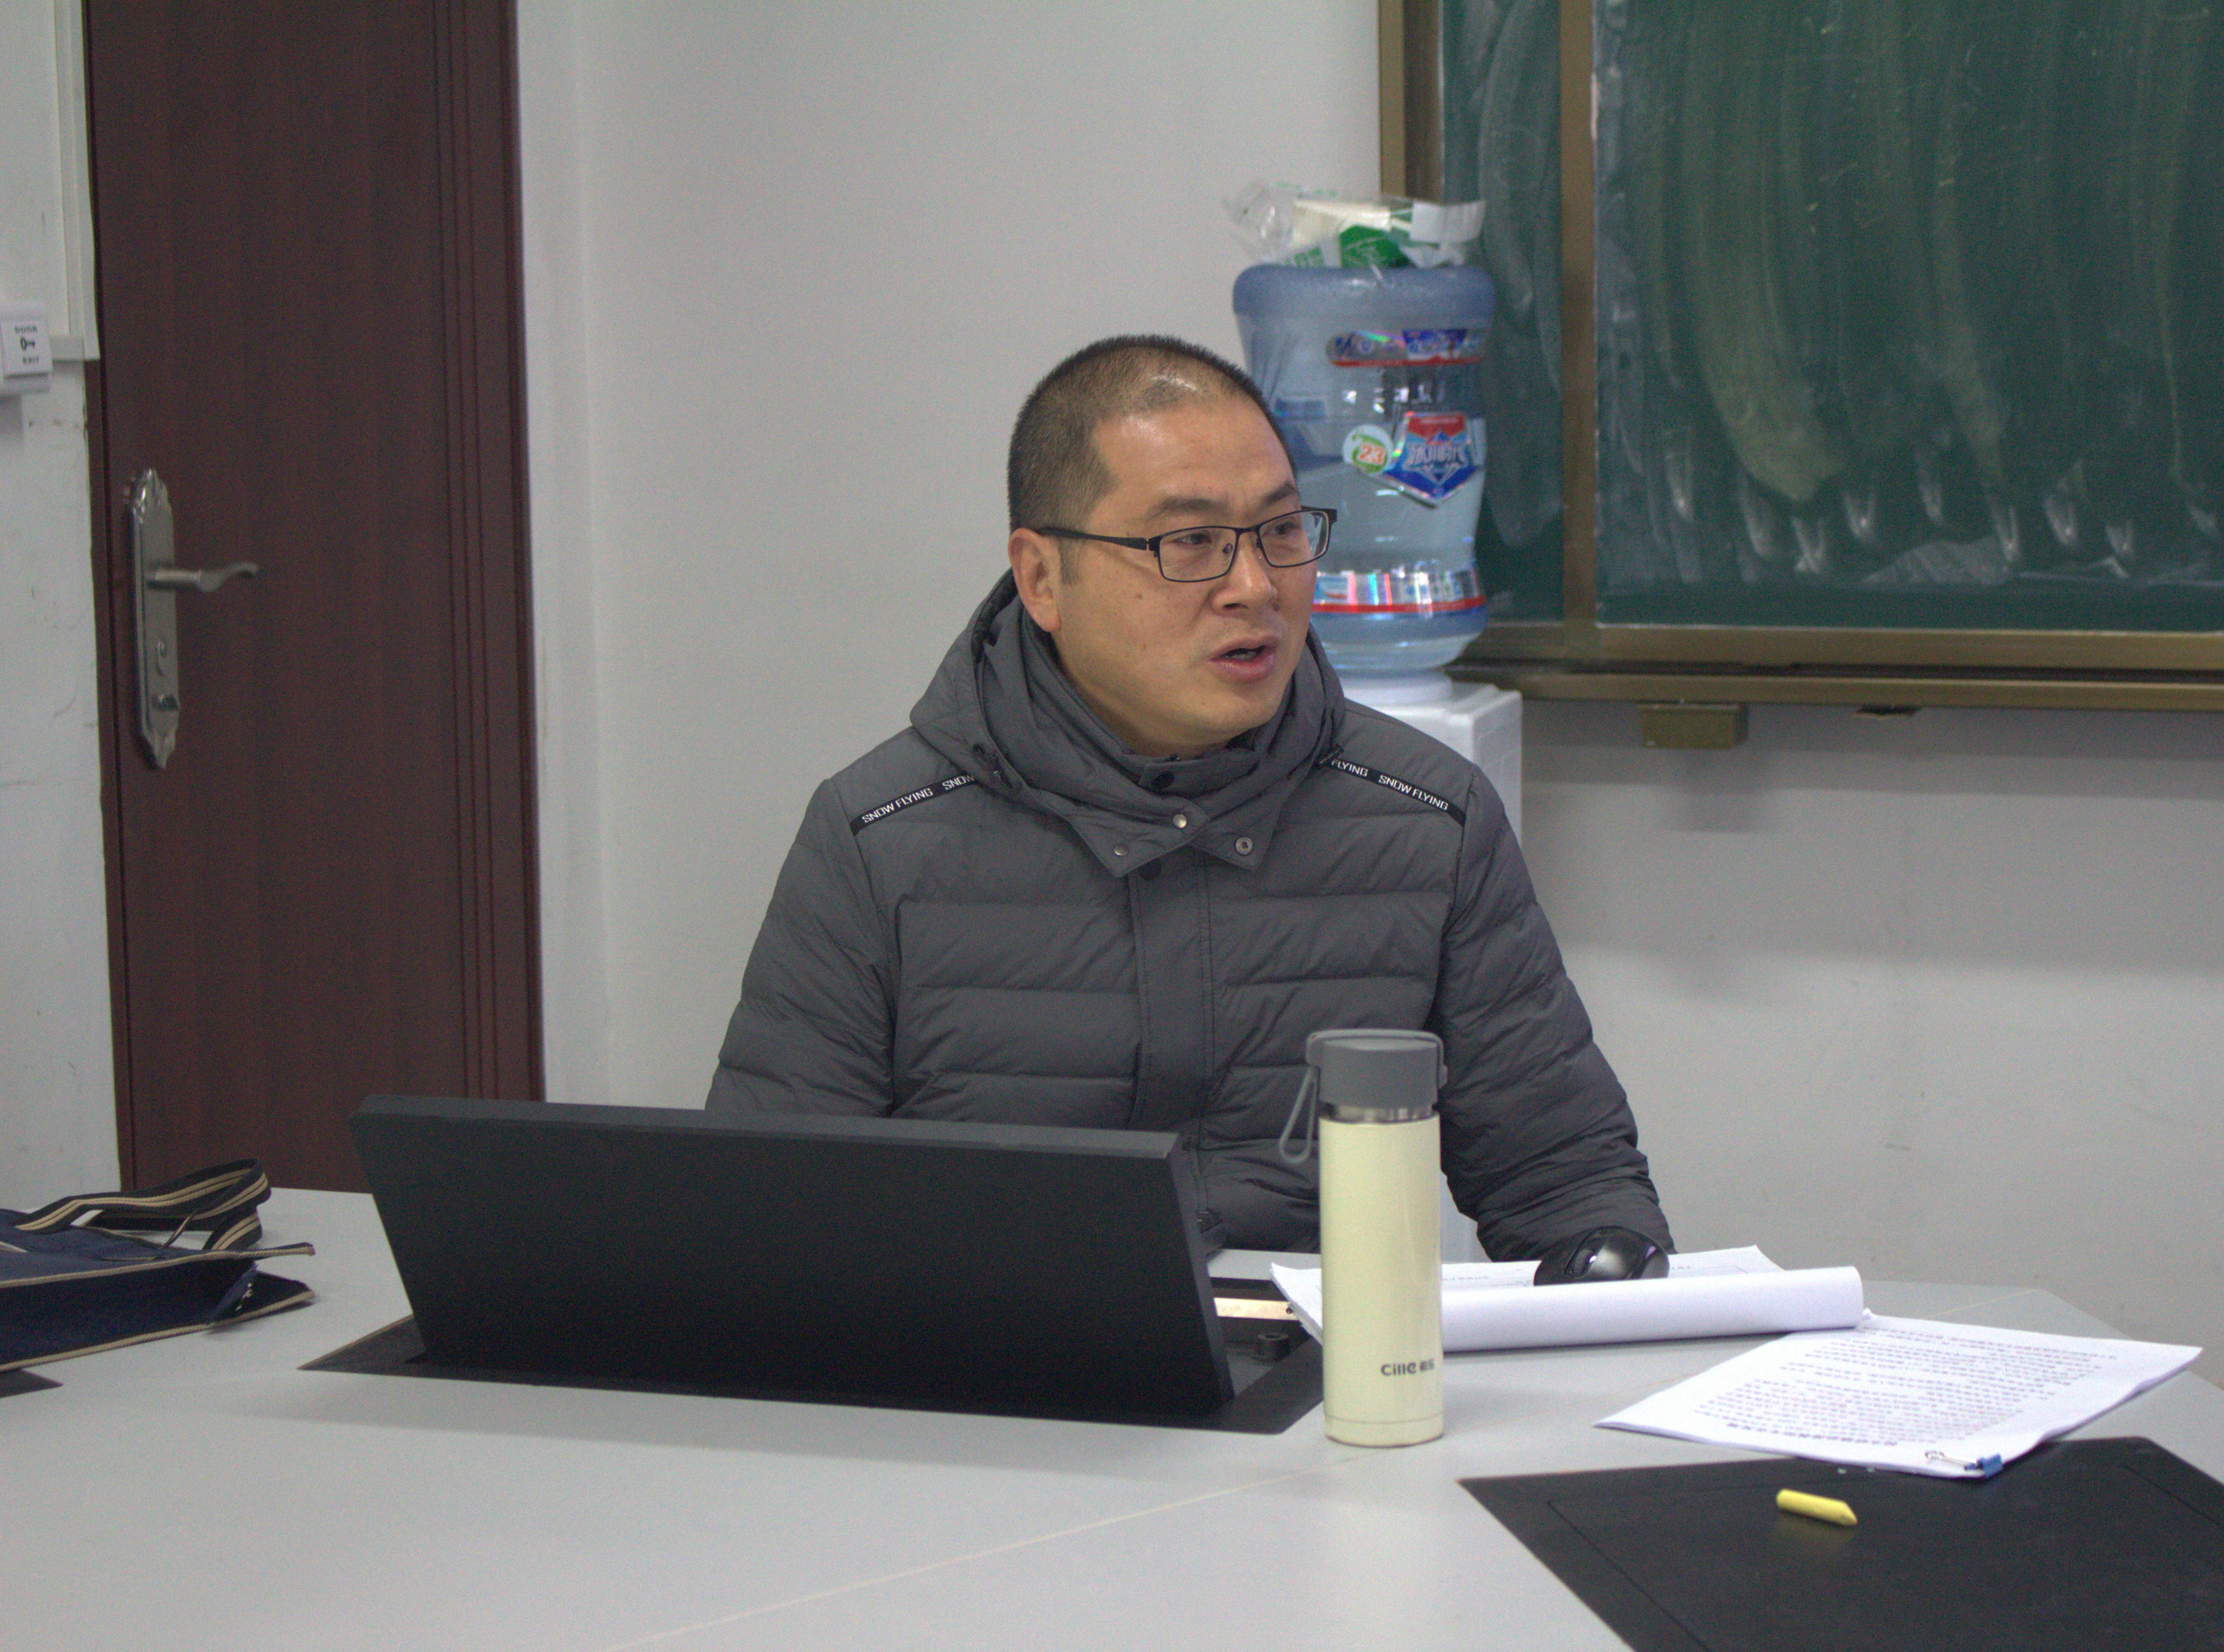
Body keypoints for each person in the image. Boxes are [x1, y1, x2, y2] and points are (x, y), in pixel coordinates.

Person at [706, 335, 1671, 1275]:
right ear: (1042, 579)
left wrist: (1609, 1272)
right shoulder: (880, 840)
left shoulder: (1427, 819)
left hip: (1319, 1370)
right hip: (1001, 1371)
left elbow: (1568, 1182)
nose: (1255, 587)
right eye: (1191, 543)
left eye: (1281, 532)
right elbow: (770, 1232)